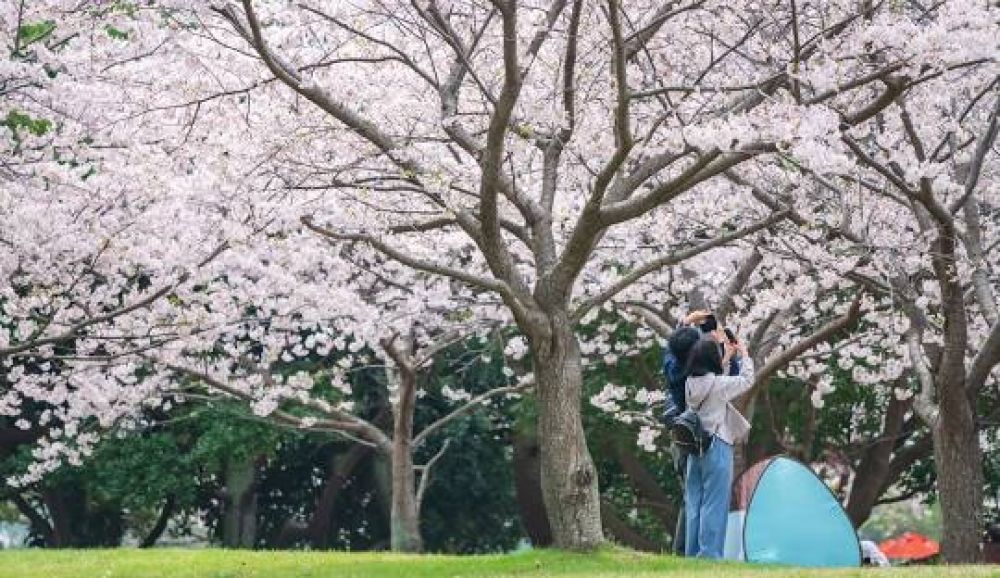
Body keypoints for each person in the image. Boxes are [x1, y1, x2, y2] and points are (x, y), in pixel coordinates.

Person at [683, 335, 754, 559]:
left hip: (695, 447)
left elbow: (712, 380)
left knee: (695, 501)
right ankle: (709, 554)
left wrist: (727, 357)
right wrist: (744, 355)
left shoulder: (690, 382)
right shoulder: (718, 385)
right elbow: (746, 380)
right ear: (711, 359)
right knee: (715, 502)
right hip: (717, 445)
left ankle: (692, 552)